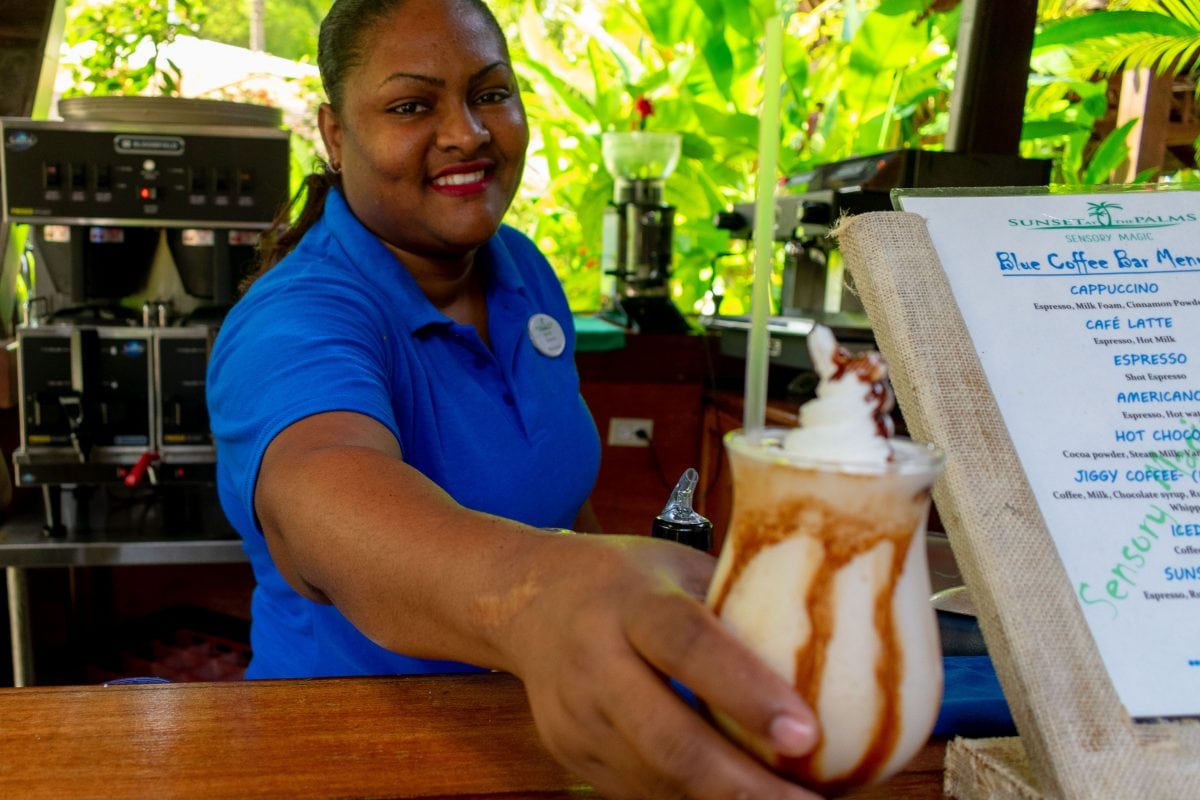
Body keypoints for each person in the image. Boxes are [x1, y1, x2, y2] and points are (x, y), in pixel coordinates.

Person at [206, 0, 823, 797]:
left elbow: (563, 504)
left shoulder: (520, 267)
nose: (467, 133)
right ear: (333, 133)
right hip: (349, 757)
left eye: (490, 93)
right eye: (411, 105)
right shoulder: (297, 317)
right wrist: (537, 593)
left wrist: (599, 580)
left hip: (534, 743)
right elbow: (322, 485)